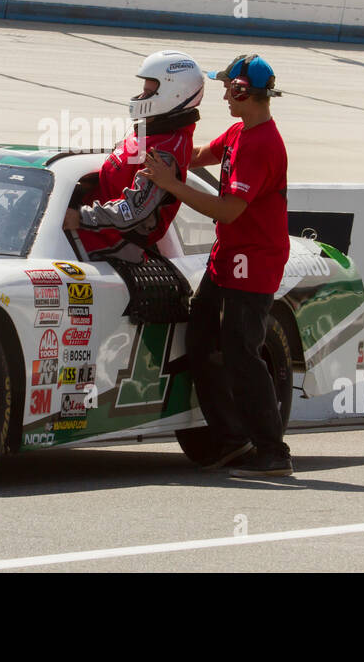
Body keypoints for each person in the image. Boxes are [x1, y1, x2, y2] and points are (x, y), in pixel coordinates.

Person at [139, 53, 292, 477]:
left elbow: (227, 210)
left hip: (254, 263)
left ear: (244, 91)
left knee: (242, 353)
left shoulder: (262, 144)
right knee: (203, 342)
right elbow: (204, 153)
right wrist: (164, 153)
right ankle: (231, 440)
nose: (223, 93)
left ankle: (272, 450)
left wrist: (171, 183)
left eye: (229, 87)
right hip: (228, 257)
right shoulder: (242, 130)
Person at [62, 51, 202, 261]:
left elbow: (133, 210)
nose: (140, 97)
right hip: (94, 233)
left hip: (111, 247)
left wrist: (81, 217)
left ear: (175, 93)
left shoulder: (164, 151)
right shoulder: (153, 131)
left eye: (147, 92)